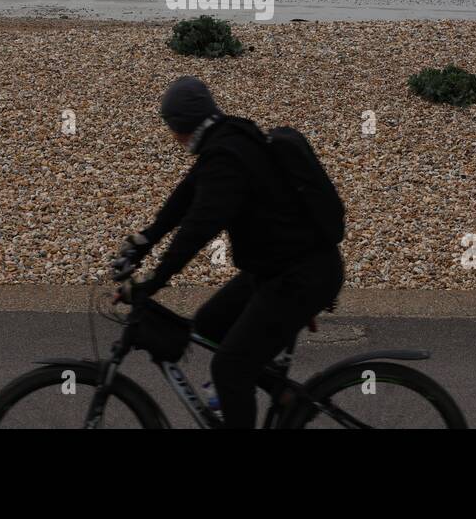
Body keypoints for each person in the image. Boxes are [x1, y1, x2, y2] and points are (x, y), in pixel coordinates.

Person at [115, 76, 344, 429]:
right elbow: (185, 197)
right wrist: (144, 239)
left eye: (172, 129)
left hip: (300, 277)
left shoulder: (226, 158)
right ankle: (284, 395)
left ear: (183, 125)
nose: (173, 139)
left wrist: (153, 282)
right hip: (279, 269)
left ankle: (265, 398)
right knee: (209, 326)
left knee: (230, 368)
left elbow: (197, 229)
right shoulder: (229, 137)